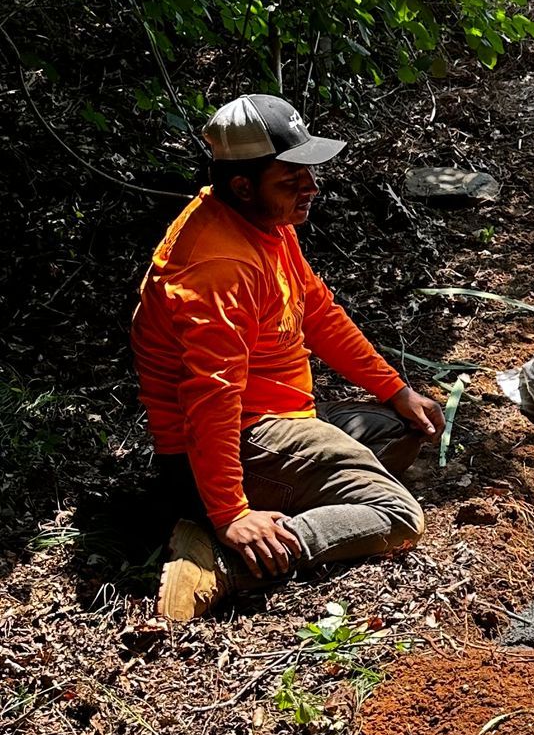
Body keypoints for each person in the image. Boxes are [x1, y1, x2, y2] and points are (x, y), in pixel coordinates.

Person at [133, 94, 445, 621]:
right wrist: (230, 513)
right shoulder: (219, 267)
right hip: (234, 438)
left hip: (273, 419)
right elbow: (212, 394)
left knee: (398, 427)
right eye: (291, 180)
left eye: (309, 173)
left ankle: (241, 512)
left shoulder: (264, 225)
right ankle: (225, 560)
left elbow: (318, 312)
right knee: (398, 515)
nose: (311, 188)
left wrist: (396, 389)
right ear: (242, 185)